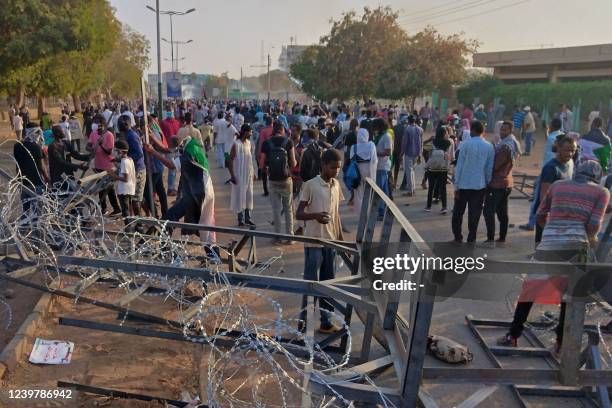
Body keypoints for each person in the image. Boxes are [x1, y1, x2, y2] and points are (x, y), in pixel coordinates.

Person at [499, 160, 609, 351]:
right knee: (570, 293)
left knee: (531, 288)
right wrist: (589, 239)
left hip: (549, 243)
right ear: (597, 176)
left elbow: (540, 214)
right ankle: (561, 342)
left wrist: (553, 231)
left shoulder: (558, 185)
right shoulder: (601, 192)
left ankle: (513, 334)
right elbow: (593, 226)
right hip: (576, 248)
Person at [296, 149, 345, 334]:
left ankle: (326, 322)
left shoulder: (336, 185)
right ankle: (303, 325)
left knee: (327, 285)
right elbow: (298, 213)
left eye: (338, 168)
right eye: (333, 167)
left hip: (330, 243)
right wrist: (315, 216)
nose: (336, 171)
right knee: (311, 286)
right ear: (323, 165)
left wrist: (341, 242)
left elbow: (336, 215)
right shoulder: (310, 185)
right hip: (314, 243)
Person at [451, 121, 495, 243]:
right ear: (482, 132)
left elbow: (459, 167)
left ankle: (458, 236)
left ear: (472, 131)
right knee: (474, 214)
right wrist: (487, 183)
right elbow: (488, 169)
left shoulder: (465, 145)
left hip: (463, 185)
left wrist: (456, 186)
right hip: (479, 186)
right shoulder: (489, 147)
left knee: (458, 213)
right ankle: (472, 237)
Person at [519, 118, 565, 231]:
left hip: (547, 171)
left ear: (552, 126)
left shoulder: (551, 139)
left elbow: (549, 141)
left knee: (538, 200)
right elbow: (549, 140)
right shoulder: (562, 136)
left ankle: (531, 223)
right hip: (560, 172)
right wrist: (546, 130)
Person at [483, 122, 521, 244]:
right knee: (502, 212)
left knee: (489, 211)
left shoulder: (505, 147)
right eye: (501, 129)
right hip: (507, 182)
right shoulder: (511, 143)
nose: (502, 132)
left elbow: (496, 165)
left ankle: (490, 239)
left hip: (498, 183)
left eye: (505, 130)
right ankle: (502, 238)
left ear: (510, 131)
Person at [260, 121, 297, 244]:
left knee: (276, 209)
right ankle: (290, 237)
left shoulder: (266, 143)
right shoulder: (288, 142)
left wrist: (268, 169)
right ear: (282, 130)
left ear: (273, 130)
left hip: (273, 180)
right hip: (286, 180)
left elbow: (261, 164)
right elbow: (293, 163)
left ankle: (277, 237)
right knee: (288, 209)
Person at [87, 116, 121, 216]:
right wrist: (92, 149)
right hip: (98, 165)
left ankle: (112, 208)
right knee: (102, 188)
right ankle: (108, 208)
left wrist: (101, 145)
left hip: (108, 166)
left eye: (97, 122)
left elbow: (109, 152)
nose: (95, 124)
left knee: (107, 188)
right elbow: (88, 146)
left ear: (103, 125)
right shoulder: (93, 134)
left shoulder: (109, 135)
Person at [229, 124, 256, 227]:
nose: (251, 133)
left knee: (249, 195)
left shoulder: (249, 143)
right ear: (245, 132)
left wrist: (253, 172)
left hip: (248, 174)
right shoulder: (236, 144)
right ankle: (241, 219)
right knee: (240, 196)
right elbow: (230, 160)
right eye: (250, 131)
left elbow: (250, 160)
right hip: (239, 174)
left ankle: (248, 218)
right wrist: (232, 175)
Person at [119, 116, 146, 217]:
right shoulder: (127, 135)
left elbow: (139, 153)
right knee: (134, 197)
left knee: (136, 200)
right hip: (133, 169)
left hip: (138, 170)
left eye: (122, 123)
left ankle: (140, 224)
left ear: (127, 124)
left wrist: (127, 158)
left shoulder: (132, 135)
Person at [349, 128, 378, 210]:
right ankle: (368, 210)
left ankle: (361, 213)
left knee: (359, 193)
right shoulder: (371, 145)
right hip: (369, 171)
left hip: (357, 172)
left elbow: (351, 159)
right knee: (368, 193)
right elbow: (375, 160)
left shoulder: (353, 147)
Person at [424, 127, 451, 213]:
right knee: (443, 188)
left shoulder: (432, 142)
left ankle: (428, 206)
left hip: (432, 168)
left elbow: (424, 148)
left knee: (431, 188)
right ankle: (444, 207)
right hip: (443, 168)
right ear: (444, 134)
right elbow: (449, 155)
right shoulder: (448, 143)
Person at [372, 118, 393, 219]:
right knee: (384, 191)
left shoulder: (386, 136)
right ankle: (386, 210)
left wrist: (375, 153)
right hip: (378, 166)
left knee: (380, 191)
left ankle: (380, 212)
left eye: (375, 127)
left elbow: (388, 152)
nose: (374, 129)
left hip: (383, 166)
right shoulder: (378, 136)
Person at [112, 140, 135, 226]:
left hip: (124, 189)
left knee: (125, 210)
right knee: (129, 208)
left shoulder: (124, 162)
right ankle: (130, 225)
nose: (115, 153)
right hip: (130, 188)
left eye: (116, 151)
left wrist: (114, 175)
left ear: (120, 152)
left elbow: (125, 178)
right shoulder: (129, 159)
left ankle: (128, 227)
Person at [400, 116, 423, 195]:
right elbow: (421, 143)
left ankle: (410, 190)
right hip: (417, 153)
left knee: (409, 172)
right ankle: (413, 189)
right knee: (412, 171)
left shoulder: (407, 129)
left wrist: (401, 153)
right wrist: (420, 154)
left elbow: (404, 143)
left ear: (409, 121)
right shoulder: (420, 129)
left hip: (409, 153)